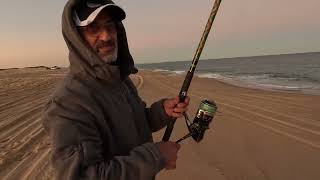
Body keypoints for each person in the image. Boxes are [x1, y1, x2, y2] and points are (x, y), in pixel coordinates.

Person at [41, 0, 190, 179]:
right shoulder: (68, 103)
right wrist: (156, 156)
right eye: (93, 27)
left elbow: (134, 124)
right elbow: (82, 176)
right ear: (76, 37)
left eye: (109, 25)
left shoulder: (120, 80)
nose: (106, 36)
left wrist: (162, 111)